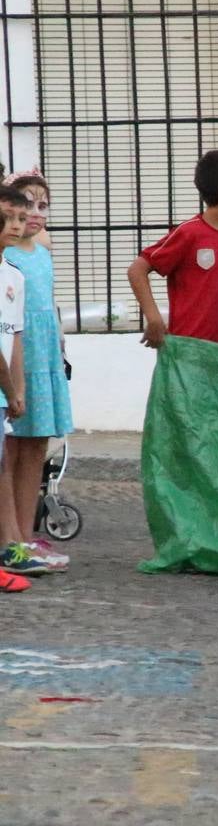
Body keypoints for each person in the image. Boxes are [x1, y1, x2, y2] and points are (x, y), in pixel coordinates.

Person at [126, 150, 218, 576]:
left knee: (217, 455)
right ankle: (183, 541)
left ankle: (213, 542)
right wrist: (155, 316)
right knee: (182, 454)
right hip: (186, 358)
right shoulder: (188, 233)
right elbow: (139, 268)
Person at [0, 171, 73, 574]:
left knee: (36, 449)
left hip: (42, 358)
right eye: (25, 204)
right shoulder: (7, 255)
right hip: (14, 357)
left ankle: (25, 535)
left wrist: (60, 345)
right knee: (10, 450)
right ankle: (9, 537)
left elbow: (51, 309)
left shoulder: (42, 253)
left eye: (41, 205)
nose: (33, 213)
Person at [0, 187, 34, 587]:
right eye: (7, 218)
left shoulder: (15, 275)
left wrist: (18, 389)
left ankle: (11, 543)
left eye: (19, 219)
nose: (14, 226)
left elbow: (14, 338)